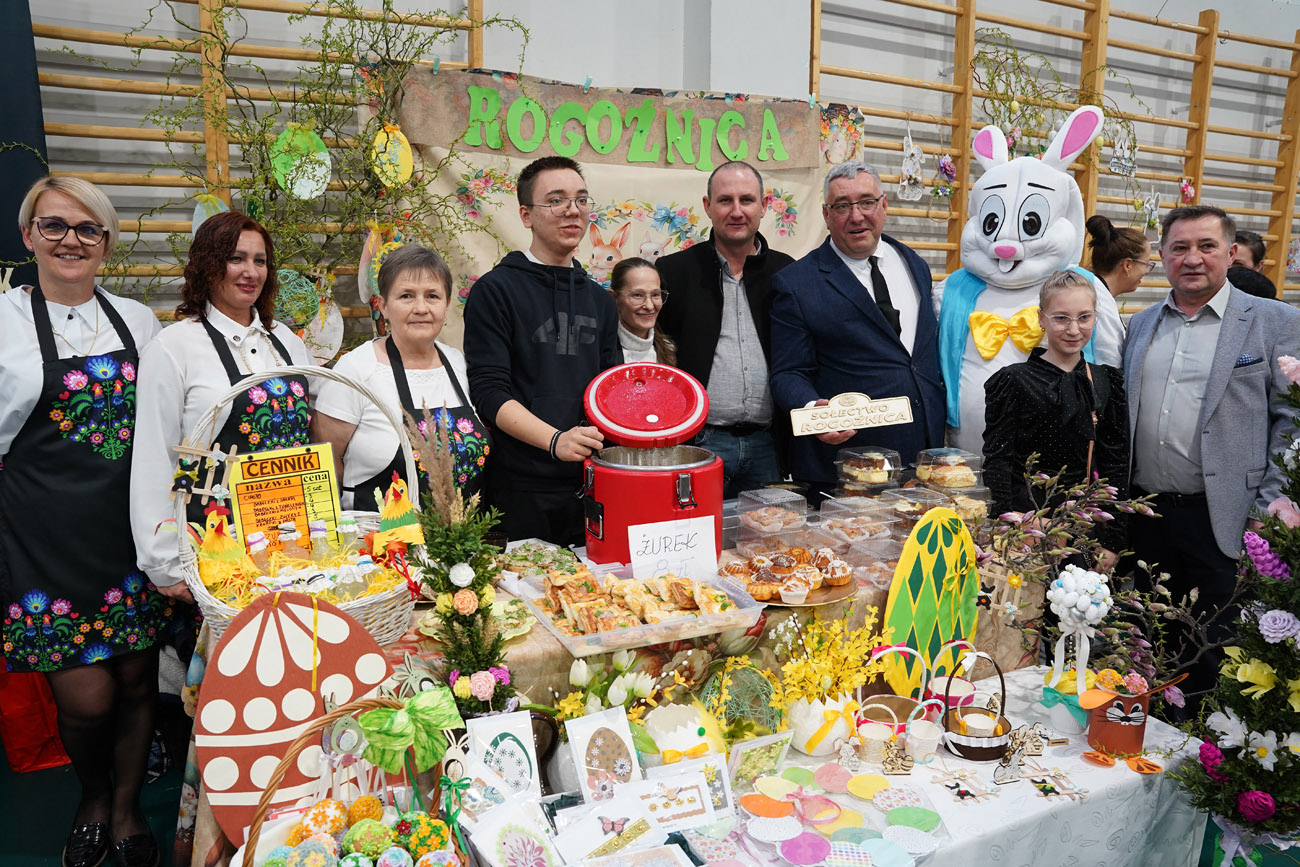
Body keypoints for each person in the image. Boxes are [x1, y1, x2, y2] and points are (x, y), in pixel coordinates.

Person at [0, 177, 165, 867]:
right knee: (86, 696)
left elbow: (161, 432)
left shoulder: (139, 321)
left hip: (128, 534)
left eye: (87, 229)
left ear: (107, 242)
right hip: (43, 541)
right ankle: (91, 793)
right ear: (28, 234)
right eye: (55, 225)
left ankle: (124, 809)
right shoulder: (4, 321)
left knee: (135, 681)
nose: (71, 239)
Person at [1123, 204, 1300, 703]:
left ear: (1231, 252)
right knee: (1146, 643)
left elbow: (1293, 423)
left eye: (1206, 246)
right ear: (1162, 256)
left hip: (1224, 517)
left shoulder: (1274, 322)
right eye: (1179, 247)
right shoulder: (1139, 325)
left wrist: (1272, 507)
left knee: (1213, 652)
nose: (1193, 258)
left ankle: (1197, 764)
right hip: (1146, 515)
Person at [131, 210, 314, 600]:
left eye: (259, 260)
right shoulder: (173, 347)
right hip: (216, 546)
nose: (250, 271)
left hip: (295, 540)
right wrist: (165, 562)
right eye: (236, 258)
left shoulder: (287, 342)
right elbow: (155, 459)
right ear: (208, 265)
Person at [463, 155, 621, 546]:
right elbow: (488, 391)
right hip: (520, 488)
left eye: (581, 200)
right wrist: (555, 440)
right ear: (526, 215)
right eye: (556, 200)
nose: (572, 210)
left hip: (592, 484)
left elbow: (610, 391)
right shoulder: (496, 291)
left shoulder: (601, 302)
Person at [769, 161, 945, 498]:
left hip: (924, 458)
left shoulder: (915, 264)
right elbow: (788, 373)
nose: (856, 215)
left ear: (884, 205)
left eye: (866, 202)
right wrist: (812, 412)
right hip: (850, 467)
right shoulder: (796, 284)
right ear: (825, 213)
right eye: (842, 206)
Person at [656, 161, 794, 497]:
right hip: (699, 443)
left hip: (768, 445)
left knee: (765, 542)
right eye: (724, 200)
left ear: (763, 206)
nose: (736, 211)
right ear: (707, 207)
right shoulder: (673, 271)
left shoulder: (788, 273)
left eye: (746, 200)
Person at [314, 245, 489, 509]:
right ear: (383, 305)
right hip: (382, 543)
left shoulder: (460, 364)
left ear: (447, 304)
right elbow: (325, 461)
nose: (421, 308)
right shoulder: (357, 370)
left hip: (461, 542)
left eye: (432, 296)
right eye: (407, 296)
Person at [983, 269, 1128, 570]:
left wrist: (1112, 541)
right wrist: (1008, 521)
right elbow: (998, 459)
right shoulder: (1013, 381)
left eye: (1084, 317)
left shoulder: (1104, 381)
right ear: (1041, 318)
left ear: (1095, 317)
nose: (1074, 329)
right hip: (1028, 523)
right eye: (1061, 318)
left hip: (1085, 525)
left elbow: (1116, 461)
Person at [1085, 214, 1154, 345]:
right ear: (1127, 265)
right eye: (1146, 265)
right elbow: (1109, 360)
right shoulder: (1099, 305)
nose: (1146, 272)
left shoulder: (1091, 292)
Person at [609, 257, 676, 364]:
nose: (649, 306)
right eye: (637, 295)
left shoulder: (669, 350)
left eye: (655, 295)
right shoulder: (601, 353)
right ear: (614, 298)